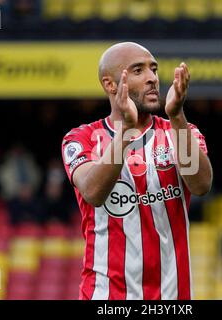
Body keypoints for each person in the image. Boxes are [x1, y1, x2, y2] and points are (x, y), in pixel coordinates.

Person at [61, 42, 213, 300]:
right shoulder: (81, 138)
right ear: (110, 84)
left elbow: (201, 186)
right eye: (138, 70)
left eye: (153, 69)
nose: (153, 78)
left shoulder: (181, 132)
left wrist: (177, 116)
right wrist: (125, 133)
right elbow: (93, 192)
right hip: (106, 297)